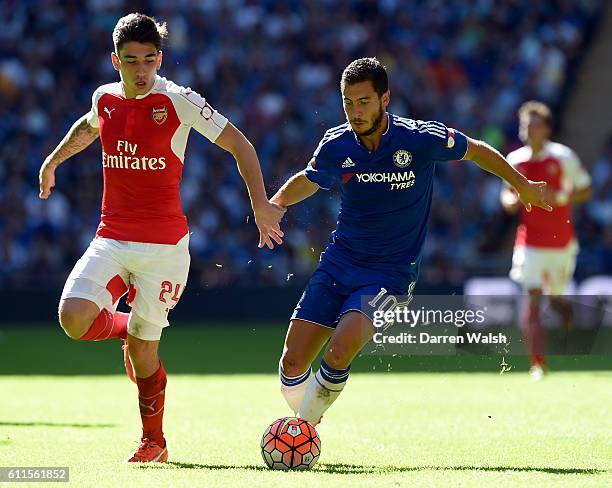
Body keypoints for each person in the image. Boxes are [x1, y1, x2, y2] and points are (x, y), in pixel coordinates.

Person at [38, 13, 284, 462]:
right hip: (111, 237)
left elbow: (241, 145)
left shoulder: (179, 101)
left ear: (160, 58)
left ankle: (155, 442)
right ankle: (124, 332)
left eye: (150, 60)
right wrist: (53, 160)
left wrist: (260, 204)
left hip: (165, 250)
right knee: (73, 318)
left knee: (146, 352)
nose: (142, 70)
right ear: (116, 61)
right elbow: (89, 125)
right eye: (131, 61)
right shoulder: (106, 98)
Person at [270, 57, 551, 426]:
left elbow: (477, 150)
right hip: (339, 263)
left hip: (390, 275)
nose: (355, 111)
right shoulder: (336, 145)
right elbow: (311, 178)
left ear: (385, 99)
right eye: (348, 103)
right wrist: (276, 203)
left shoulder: (418, 138)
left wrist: (522, 185)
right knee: (291, 363)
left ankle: (300, 431)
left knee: (339, 352)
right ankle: (308, 421)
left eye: (364, 101)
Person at [500, 101, 592, 380]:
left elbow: (585, 189)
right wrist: (512, 201)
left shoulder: (564, 157)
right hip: (530, 243)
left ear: (547, 128)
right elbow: (505, 195)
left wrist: (561, 197)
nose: (529, 130)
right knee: (533, 297)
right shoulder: (515, 160)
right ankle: (537, 363)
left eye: (535, 124)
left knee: (556, 300)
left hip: (561, 243)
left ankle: (567, 322)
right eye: (525, 125)